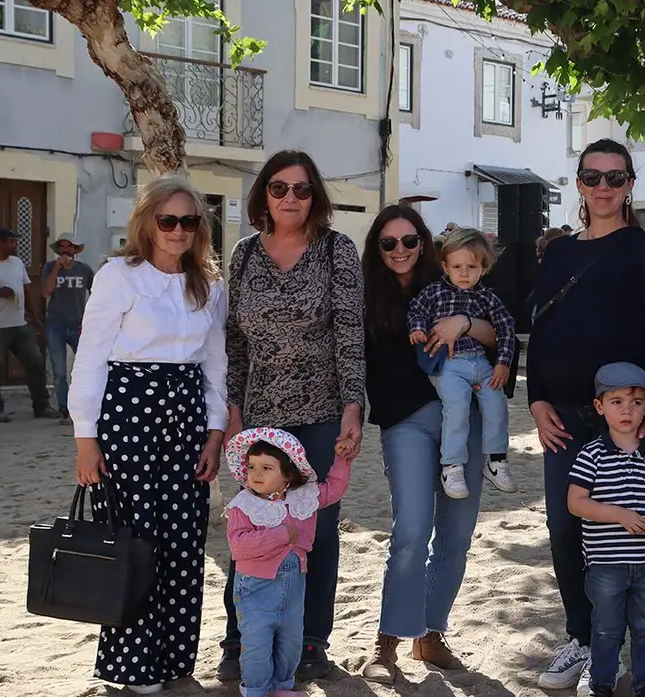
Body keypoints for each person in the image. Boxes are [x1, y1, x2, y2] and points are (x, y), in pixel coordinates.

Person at [528, 138, 645, 695]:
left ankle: (614, 644)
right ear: (579, 184)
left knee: (625, 531)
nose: (604, 188)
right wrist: (536, 400)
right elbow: (540, 329)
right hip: (563, 415)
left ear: (631, 185)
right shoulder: (559, 251)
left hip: (627, 419)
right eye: (593, 178)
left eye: (615, 178)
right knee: (566, 528)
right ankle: (584, 637)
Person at [69, 175, 228, 694]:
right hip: (127, 417)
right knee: (135, 541)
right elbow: (91, 357)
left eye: (189, 221)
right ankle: (134, 667)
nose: (178, 230)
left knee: (183, 539)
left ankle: (175, 657)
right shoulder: (119, 276)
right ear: (148, 222)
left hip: (185, 419)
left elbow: (214, 365)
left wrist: (214, 432)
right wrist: (85, 438)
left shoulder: (209, 284)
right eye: (168, 220)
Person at [218, 149, 366, 683]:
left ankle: (310, 640)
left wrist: (353, 405)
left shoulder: (336, 251)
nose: (290, 199)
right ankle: (240, 638)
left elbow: (351, 332)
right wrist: (233, 408)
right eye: (279, 188)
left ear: (315, 197)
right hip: (261, 415)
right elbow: (234, 341)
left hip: (322, 407)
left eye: (301, 190)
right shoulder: (242, 255)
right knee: (252, 523)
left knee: (316, 528)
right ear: (263, 194)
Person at [359, 205, 504, 684]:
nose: (399, 250)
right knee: (411, 532)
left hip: (468, 423)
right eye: (388, 242)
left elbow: (502, 337)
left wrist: (463, 324)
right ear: (377, 248)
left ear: (424, 244)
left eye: (409, 241)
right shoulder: (366, 297)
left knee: (458, 537)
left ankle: (431, 632)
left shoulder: (454, 283)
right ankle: (388, 642)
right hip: (407, 424)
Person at [568, 362, 645, 697]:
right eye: (617, 402)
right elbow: (576, 503)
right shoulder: (592, 455)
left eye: (636, 402)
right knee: (606, 629)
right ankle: (602, 684)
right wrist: (619, 515)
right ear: (600, 407)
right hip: (606, 564)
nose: (627, 410)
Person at [223, 427, 353, 697]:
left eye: (266, 468)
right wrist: (279, 535)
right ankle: (256, 690)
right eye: (252, 466)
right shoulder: (243, 505)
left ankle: (282, 686)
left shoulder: (302, 497)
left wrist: (342, 460)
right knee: (257, 643)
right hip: (255, 590)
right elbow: (239, 546)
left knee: (290, 641)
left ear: (288, 474)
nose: (256, 474)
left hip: (294, 587)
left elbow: (334, 489)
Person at [407, 226, 518, 498]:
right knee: (456, 407)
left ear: (484, 267)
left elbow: (506, 328)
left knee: (497, 404)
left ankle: (496, 459)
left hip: (480, 362)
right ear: (445, 266)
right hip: (449, 363)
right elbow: (416, 310)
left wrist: (502, 363)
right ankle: (452, 465)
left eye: (472, 266)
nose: (464, 273)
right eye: (457, 266)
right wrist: (417, 328)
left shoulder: (487, 297)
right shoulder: (434, 293)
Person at [0, 227, 61, 423]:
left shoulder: (17, 263)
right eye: (11, 242)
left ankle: (41, 406)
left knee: (36, 364)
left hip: (20, 325)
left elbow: (26, 290)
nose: (15, 245)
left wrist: (36, 318)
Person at [41, 232, 96, 426]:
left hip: (78, 325)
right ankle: (64, 409)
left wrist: (89, 319)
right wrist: (57, 268)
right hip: (55, 324)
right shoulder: (49, 267)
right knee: (59, 371)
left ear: (75, 249)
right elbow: (45, 291)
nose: (66, 250)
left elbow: (96, 294)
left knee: (85, 368)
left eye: (70, 246)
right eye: (63, 246)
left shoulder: (84, 270)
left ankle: (84, 408)